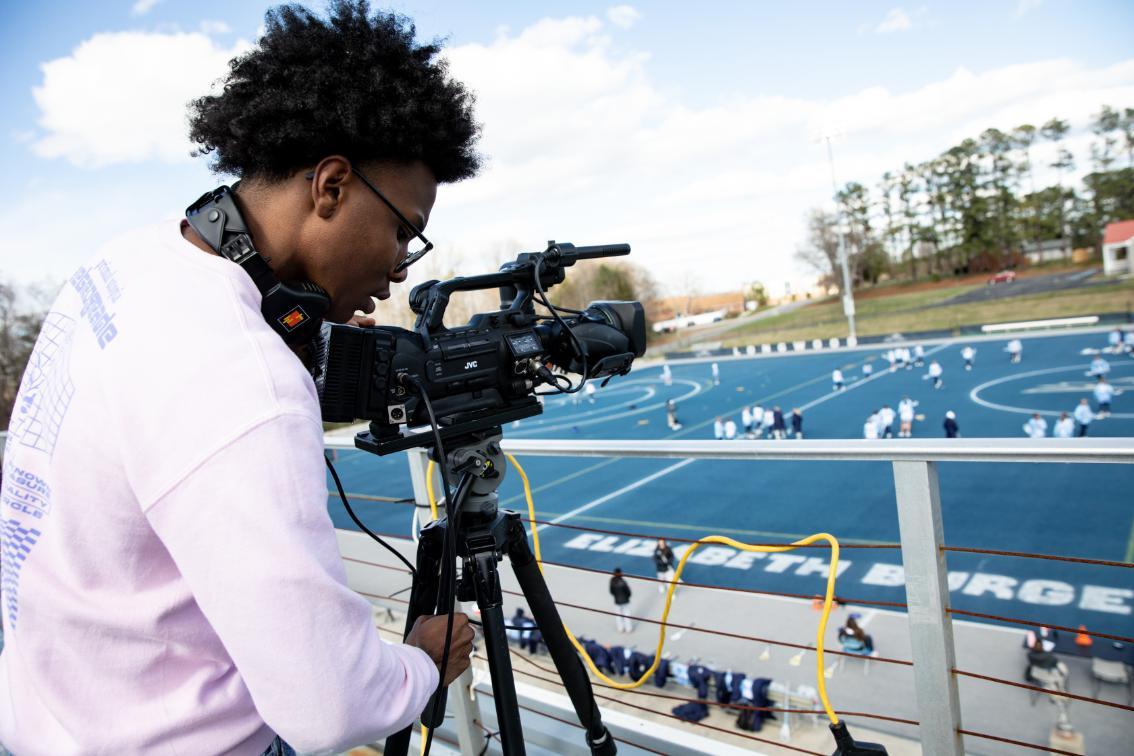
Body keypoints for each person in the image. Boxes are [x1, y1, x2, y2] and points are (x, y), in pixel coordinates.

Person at [0, 5, 480, 753]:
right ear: (330, 187)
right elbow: (330, 708)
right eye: (402, 232)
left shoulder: (128, 261)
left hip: (51, 718)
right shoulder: (239, 376)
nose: (396, 270)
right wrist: (421, 661)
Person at [610, 568, 633, 633]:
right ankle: (629, 629)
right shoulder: (623, 581)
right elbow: (628, 592)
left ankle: (621, 628)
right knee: (627, 614)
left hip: (617, 600)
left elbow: (611, 591)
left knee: (618, 615)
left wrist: (616, 596)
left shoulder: (612, 581)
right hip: (625, 600)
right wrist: (627, 597)